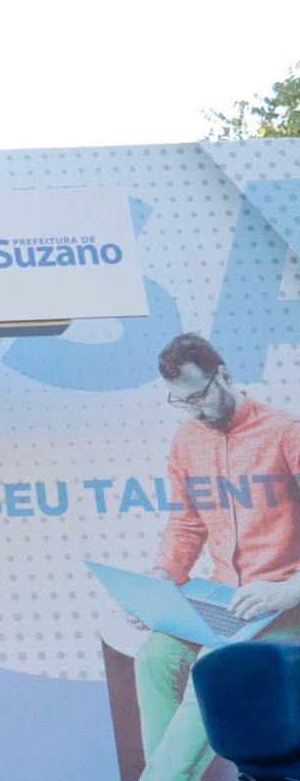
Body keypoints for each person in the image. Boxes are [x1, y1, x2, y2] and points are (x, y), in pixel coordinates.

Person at [134, 333, 300, 781]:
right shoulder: (187, 440)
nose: (193, 411)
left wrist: (289, 589)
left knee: (207, 669)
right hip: (224, 597)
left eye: (198, 397)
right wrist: (161, 580)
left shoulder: (287, 433)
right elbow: (187, 523)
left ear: (223, 375)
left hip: (283, 600)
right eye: (180, 401)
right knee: (152, 660)